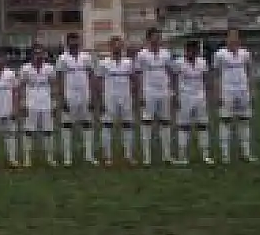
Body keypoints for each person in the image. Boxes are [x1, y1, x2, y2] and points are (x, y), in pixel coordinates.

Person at [214, 28, 257, 163]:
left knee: (244, 121)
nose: (233, 39)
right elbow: (216, 75)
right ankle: (225, 155)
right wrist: (217, 93)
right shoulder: (220, 54)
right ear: (226, 39)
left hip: (243, 90)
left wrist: (252, 91)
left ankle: (246, 153)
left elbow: (250, 73)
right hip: (227, 90)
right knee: (225, 121)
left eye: (236, 37)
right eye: (231, 37)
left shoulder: (245, 53)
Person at [55, 33, 97, 165]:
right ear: (67, 43)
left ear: (79, 42)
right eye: (71, 41)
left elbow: (91, 76)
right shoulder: (62, 58)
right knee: (67, 126)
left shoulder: (86, 57)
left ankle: (89, 156)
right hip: (69, 95)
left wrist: (92, 96)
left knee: (87, 124)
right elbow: (59, 79)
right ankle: (67, 157)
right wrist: (62, 98)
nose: (74, 43)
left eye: (76, 40)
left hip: (85, 94)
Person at [135, 28, 174, 166]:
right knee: (147, 123)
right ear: (148, 38)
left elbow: (170, 72)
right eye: (154, 37)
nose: (157, 39)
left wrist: (171, 90)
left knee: (165, 122)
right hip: (149, 91)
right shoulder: (142, 54)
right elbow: (138, 75)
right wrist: (140, 93)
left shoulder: (166, 53)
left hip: (164, 91)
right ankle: (147, 157)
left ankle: (167, 155)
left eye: (158, 37)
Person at [96, 36, 137, 166]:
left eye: (119, 45)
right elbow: (98, 82)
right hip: (109, 97)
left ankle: (128, 156)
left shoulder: (128, 62)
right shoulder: (103, 63)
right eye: (114, 45)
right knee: (107, 125)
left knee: (128, 125)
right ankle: (107, 156)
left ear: (122, 47)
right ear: (110, 47)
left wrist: (134, 95)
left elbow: (134, 79)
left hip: (125, 96)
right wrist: (100, 99)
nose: (117, 48)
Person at [172, 40, 212, 165]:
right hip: (184, 97)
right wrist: (175, 95)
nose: (191, 52)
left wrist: (208, 95)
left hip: (200, 96)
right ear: (185, 51)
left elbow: (206, 79)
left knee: (203, 125)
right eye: (189, 50)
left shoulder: (202, 62)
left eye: (194, 50)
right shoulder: (178, 63)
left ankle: (205, 155)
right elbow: (173, 79)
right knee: (183, 126)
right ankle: (182, 156)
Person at [19, 45, 59, 166]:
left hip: (46, 103)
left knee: (48, 131)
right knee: (28, 131)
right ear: (32, 55)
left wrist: (54, 103)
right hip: (31, 103)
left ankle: (50, 157)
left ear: (44, 55)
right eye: (36, 54)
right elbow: (21, 86)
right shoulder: (25, 68)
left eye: (40, 53)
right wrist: (22, 103)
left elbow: (53, 85)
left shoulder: (49, 68)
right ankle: (27, 158)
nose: (38, 56)